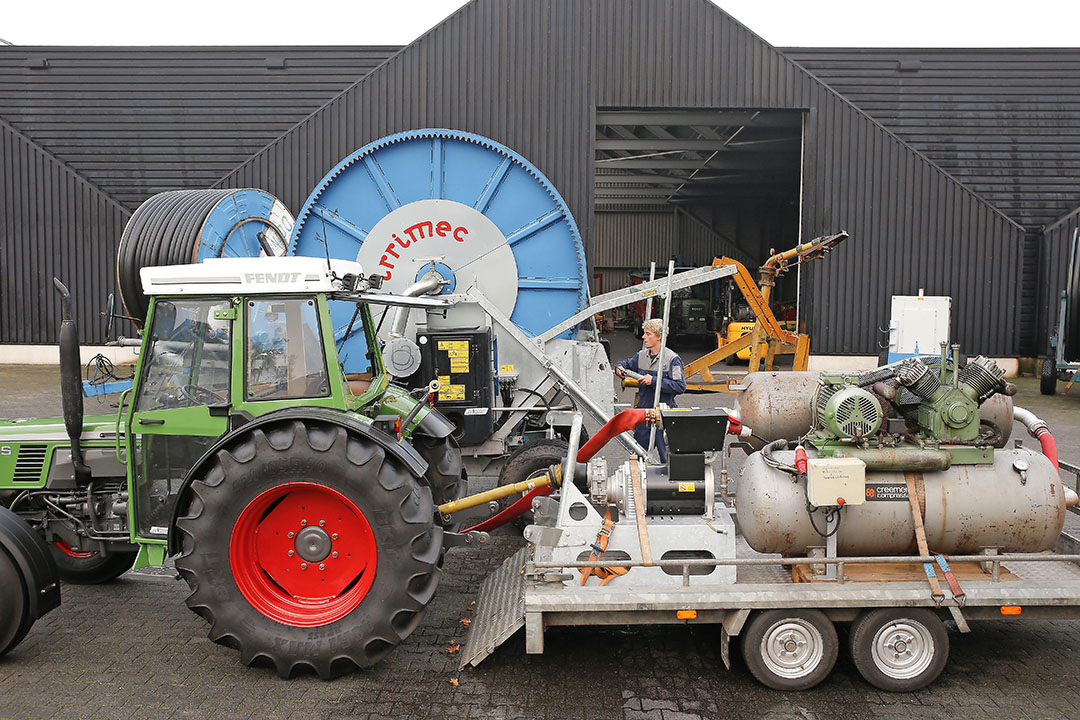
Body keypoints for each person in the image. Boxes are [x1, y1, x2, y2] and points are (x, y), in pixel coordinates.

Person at [614, 318, 686, 462]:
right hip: (644, 414)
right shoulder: (641, 356)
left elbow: (680, 386)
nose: (643, 337)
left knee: (667, 460)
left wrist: (653, 381)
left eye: (648, 334)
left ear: (659, 336)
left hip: (663, 415)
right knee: (639, 457)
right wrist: (619, 368)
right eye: (644, 333)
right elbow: (625, 363)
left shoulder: (672, 359)